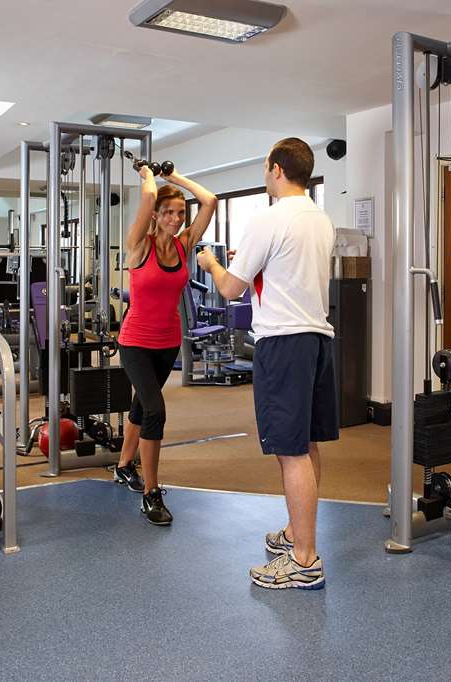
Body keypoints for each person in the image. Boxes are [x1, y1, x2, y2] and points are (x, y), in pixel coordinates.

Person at [197, 137, 336, 590]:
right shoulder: (319, 219)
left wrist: (211, 264)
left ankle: (304, 559)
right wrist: (252, 263)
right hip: (316, 338)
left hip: (284, 342)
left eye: (264, 167)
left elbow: (230, 290)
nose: (265, 174)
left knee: (289, 451)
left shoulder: (269, 218)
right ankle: (297, 533)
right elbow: (287, 270)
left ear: (277, 169)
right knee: (305, 444)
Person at [113, 165, 217, 525]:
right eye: (169, 212)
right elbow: (147, 196)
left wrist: (174, 178)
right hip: (135, 342)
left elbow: (210, 200)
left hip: (168, 341)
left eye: (180, 213)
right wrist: (147, 174)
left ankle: (123, 465)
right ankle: (151, 493)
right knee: (155, 411)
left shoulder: (183, 244)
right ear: (155, 215)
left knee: (142, 405)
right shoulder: (139, 245)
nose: (176, 219)